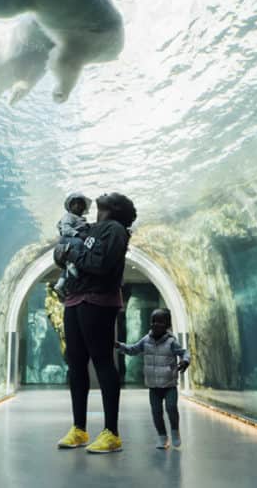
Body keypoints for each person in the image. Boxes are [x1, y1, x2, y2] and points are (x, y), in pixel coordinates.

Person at [54, 192, 136, 454]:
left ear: (115, 208)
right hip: (75, 299)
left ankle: (111, 433)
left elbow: (100, 264)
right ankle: (79, 429)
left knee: (102, 361)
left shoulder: (115, 230)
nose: (103, 195)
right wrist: (62, 254)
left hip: (98, 299)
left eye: (110, 197)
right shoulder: (89, 228)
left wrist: (71, 255)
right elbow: (62, 253)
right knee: (76, 363)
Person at [116, 308, 191, 449]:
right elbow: (133, 350)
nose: (155, 324)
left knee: (171, 408)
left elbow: (184, 352)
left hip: (169, 385)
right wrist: (120, 346)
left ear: (167, 324)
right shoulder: (146, 340)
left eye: (160, 322)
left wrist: (185, 360)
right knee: (156, 412)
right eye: (153, 321)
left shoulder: (171, 342)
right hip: (153, 386)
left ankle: (175, 431)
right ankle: (162, 437)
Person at [49, 192, 91, 300]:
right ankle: (73, 264)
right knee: (79, 243)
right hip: (69, 240)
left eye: (80, 204)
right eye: (75, 204)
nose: (77, 206)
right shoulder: (68, 217)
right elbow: (66, 229)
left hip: (73, 242)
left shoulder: (82, 220)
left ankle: (60, 283)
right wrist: (78, 234)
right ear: (70, 206)